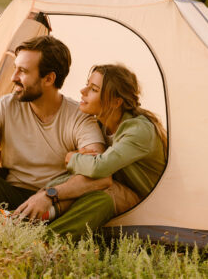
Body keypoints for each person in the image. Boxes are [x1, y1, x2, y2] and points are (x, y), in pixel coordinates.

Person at [0, 36, 114, 243]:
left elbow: (102, 176)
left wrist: (49, 195)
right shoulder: (7, 106)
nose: (13, 77)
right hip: (7, 198)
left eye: (23, 71)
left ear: (49, 79)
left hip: (55, 205)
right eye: (15, 68)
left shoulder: (79, 118)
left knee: (102, 201)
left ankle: (41, 244)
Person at [62, 64, 167, 222]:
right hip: (119, 191)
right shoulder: (100, 125)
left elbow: (99, 167)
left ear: (115, 102)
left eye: (94, 89)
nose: (82, 92)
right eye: (87, 85)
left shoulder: (139, 130)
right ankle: (32, 222)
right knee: (74, 182)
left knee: (96, 190)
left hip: (147, 205)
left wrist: (71, 157)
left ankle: (47, 237)